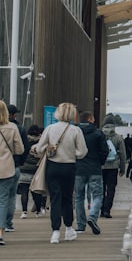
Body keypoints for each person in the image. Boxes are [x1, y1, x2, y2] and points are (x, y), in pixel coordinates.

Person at [33, 102, 87, 243]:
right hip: (69, 167)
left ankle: (55, 232)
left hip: (52, 166)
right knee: (67, 198)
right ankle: (69, 229)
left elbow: (39, 148)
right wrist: (71, 153)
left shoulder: (50, 128)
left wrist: (49, 149)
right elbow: (82, 152)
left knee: (55, 198)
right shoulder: (76, 131)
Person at [74, 111, 108, 236]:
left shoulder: (75, 132)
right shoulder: (98, 133)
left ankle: (80, 226)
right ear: (90, 119)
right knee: (98, 195)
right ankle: (92, 217)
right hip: (94, 168)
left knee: (78, 197)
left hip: (78, 168)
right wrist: (100, 162)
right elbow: (105, 150)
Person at [0, 101, 25, 247]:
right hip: (6, 168)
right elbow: (20, 149)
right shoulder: (12, 127)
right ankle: (1, 233)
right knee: (3, 201)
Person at [100, 116, 127, 218]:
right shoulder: (118, 138)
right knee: (111, 188)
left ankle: (101, 209)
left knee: (101, 188)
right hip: (113, 167)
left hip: (101, 166)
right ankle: (107, 210)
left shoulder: (99, 136)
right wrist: (122, 168)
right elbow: (123, 155)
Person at [17, 124, 46, 218]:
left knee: (24, 191)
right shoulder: (41, 142)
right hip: (36, 170)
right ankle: (38, 211)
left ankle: (24, 212)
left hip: (24, 169)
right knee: (36, 192)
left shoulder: (24, 141)